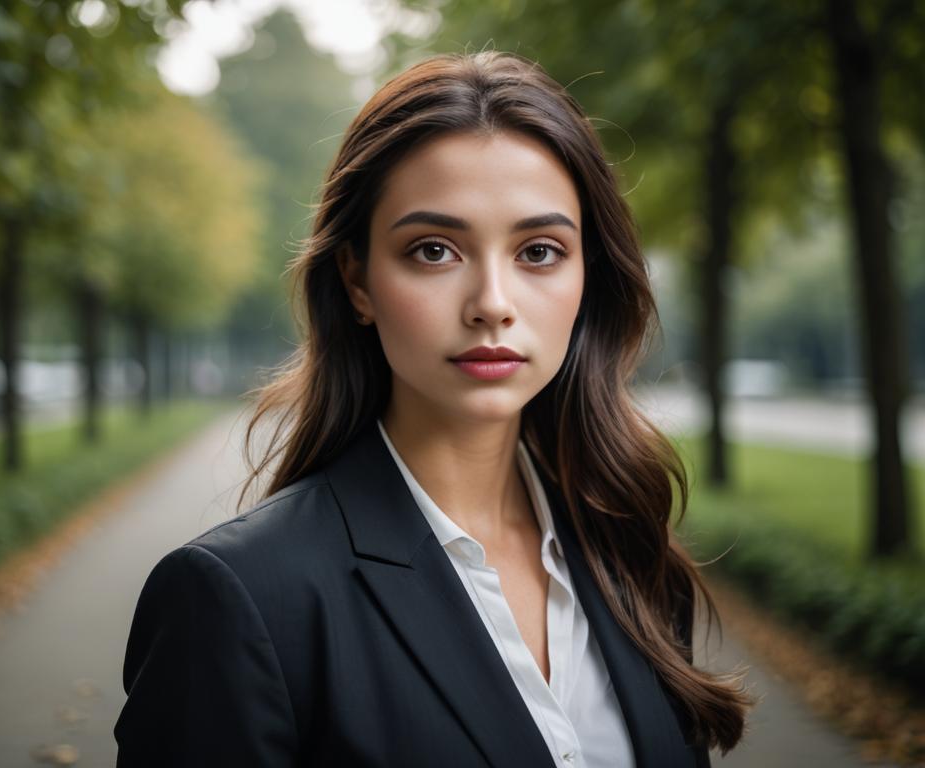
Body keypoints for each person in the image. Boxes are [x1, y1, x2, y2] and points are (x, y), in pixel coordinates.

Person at [114, 50, 752, 767]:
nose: (492, 305)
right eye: (434, 251)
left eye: (539, 251)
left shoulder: (627, 554)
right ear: (356, 280)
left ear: (588, 278)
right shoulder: (241, 600)